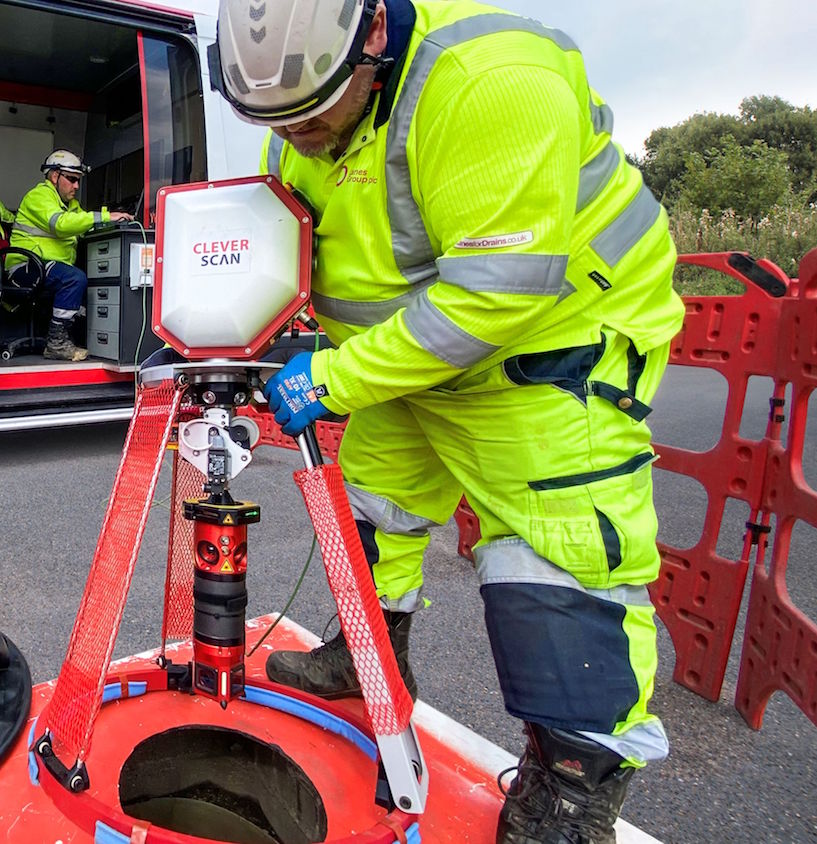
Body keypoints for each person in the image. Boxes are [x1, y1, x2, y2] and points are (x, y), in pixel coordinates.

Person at [212, 1, 684, 841]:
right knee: (376, 506)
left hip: (544, 352)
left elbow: (497, 293)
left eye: (317, 116)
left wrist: (335, 377)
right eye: (282, 124)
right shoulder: (304, 99)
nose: (305, 137)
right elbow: (289, 225)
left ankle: (571, 787)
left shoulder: (491, 78)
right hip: (405, 353)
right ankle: (367, 657)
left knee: (555, 554)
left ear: (375, 42)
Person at [6, 150, 133, 361]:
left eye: (78, 181)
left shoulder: (70, 205)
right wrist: (104, 215)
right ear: (55, 176)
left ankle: (68, 336)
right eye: (72, 179)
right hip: (25, 266)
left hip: (48, 267)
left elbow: (81, 225)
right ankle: (57, 343)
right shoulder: (39, 196)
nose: (76, 186)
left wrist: (110, 222)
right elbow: (62, 225)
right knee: (74, 278)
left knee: (86, 278)